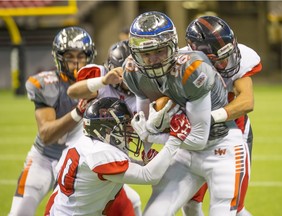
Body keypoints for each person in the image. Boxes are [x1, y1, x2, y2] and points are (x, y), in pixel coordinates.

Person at [123, 11, 247, 216]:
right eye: (146, 54)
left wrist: (152, 134)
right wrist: (139, 150)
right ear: (135, 54)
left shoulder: (192, 67)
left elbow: (199, 138)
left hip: (220, 147)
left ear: (172, 46)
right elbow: (142, 124)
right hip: (183, 152)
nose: (153, 60)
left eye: (160, 51)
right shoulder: (133, 72)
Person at [44, 97, 190, 216]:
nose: (130, 128)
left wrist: (142, 163)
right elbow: (149, 176)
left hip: (60, 209)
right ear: (105, 129)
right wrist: (174, 140)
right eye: (124, 123)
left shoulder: (88, 143)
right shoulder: (100, 154)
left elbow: (125, 165)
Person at [8, 27, 96, 216]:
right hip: (45, 159)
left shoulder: (98, 83)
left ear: (89, 56)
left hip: (80, 163)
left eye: (81, 56)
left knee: (132, 201)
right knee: (19, 213)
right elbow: (46, 134)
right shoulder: (47, 84)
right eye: (70, 56)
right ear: (58, 58)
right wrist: (78, 112)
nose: (76, 62)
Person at [182, 15, 262, 216]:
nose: (227, 63)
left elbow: (246, 102)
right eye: (219, 59)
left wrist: (209, 117)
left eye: (228, 54)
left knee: (233, 209)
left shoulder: (244, 57)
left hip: (234, 134)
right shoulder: (182, 61)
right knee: (190, 204)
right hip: (197, 137)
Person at [65, 40, 143, 216]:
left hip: (114, 153)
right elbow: (72, 92)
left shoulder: (144, 91)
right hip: (90, 155)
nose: (131, 79)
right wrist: (103, 81)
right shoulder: (100, 76)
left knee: (130, 202)